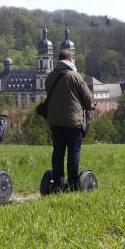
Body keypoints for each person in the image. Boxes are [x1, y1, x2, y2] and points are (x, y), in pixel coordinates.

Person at [45, 49, 95, 190]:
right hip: (73, 121)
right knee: (73, 151)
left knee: (58, 151)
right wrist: (90, 106)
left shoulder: (49, 77)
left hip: (55, 121)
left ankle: (58, 182)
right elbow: (88, 100)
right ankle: (73, 182)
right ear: (70, 60)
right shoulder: (75, 76)